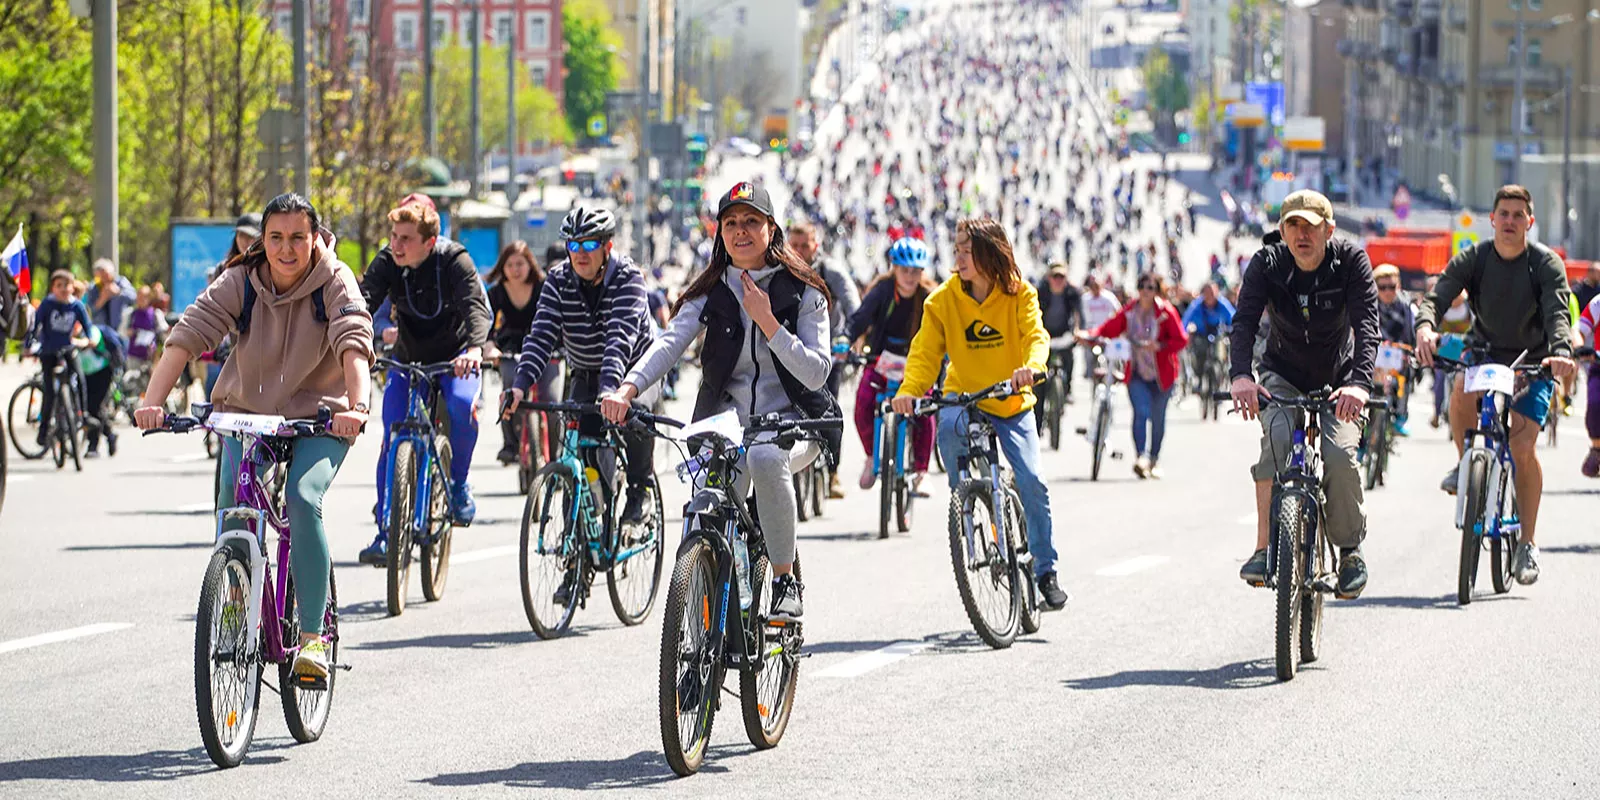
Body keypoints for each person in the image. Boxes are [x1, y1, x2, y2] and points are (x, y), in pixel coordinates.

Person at [132, 193, 374, 681]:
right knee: (232, 498)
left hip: (322, 417)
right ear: (262, 241)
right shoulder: (240, 280)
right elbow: (187, 335)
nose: (287, 249)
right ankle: (237, 600)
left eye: (298, 238)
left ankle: (311, 640)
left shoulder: (334, 279)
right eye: (276, 238)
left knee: (304, 499)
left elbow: (354, 342)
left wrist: (357, 406)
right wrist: (152, 401)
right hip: (250, 413)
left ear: (315, 238)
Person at [600, 182, 835, 621]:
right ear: (719, 233)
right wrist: (627, 389)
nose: (740, 231)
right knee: (705, 496)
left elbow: (817, 372)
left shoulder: (804, 290)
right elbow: (668, 344)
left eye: (751, 221)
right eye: (731, 223)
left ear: (771, 228)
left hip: (795, 425)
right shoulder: (711, 288)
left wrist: (768, 322)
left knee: (765, 458)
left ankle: (784, 580)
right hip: (727, 425)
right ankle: (703, 619)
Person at [890, 217, 1068, 611]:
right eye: (956, 250)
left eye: (967, 251)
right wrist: (908, 392)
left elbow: (1036, 336)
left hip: (1010, 398)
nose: (959, 258)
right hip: (964, 395)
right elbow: (924, 355)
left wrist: (1032, 367)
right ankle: (966, 499)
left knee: (1033, 480)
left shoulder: (1020, 293)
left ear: (991, 252)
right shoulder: (942, 300)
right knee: (948, 425)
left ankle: (1044, 569)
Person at [1416, 185, 1577, 586]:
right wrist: (1424, 327)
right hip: (1485, 353)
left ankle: (1527, 544)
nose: (1509, 221)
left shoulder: (1545, 264)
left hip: (1534, 361)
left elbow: (1558, 312)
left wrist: (1559, 351)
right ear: (1492, 219)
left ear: (1530, 221)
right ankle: (1465, 459)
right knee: (1459, 387)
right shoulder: (1475, 258)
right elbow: (1438, 297)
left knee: (1522, 448)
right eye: (1503, 214)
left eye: (1517, 215)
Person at [1229, 190, 1379, 599]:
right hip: (1282, 374)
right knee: (1275, 443)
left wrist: (1360, 384)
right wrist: (1240, 376)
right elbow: (1243, 322)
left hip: (1340, 380)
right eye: (1293, 225)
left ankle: (1349, 552)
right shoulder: (1267, 263)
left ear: (1329, 230)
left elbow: (1367, 326)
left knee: (1339, 456)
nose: (1302, 234)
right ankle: (1263, 549)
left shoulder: (1351, 262)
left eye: (1310, 226)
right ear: (1282, 231)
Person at [503, 205, 658, 528]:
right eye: (574, 245)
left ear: (607, 247)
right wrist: (519, 385)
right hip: (586, 370)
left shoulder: (628, 277)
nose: (580, 253)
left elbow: (620, 337)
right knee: (581, 448)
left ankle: (639, 489)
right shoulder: (558, 280)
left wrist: (610, 392)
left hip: (633, 372)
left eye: (589, 245)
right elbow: (541, 334)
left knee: (638, 419)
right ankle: (580, 560)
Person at [357, 197, 492, 565]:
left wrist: (475, 350)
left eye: (405, 239)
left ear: (429, 242)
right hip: (408, 357)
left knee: (463, 407)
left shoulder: (454, 260)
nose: (396, 245)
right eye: (394, 236)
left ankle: (459, 485)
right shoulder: (388, 261)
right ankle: (386, 532)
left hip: (456, 357)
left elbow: (476, 307)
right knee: (392, 434)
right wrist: (350, 340)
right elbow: (363, 301)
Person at [845, 236, 937, 493]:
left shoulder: (930, 296)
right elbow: (859, 319)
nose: (909, 276)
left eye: (915, 271)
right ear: (894, 268)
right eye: (904, 270)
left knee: (924, 410)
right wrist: (844, 339)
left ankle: (921, 471)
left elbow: (943, 330)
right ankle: (871, 456)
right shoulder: (882, 291)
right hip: (880, 361)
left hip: (916, 365)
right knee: (863, 403)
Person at [1085, 272, 1188, 478]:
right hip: (1138, 373)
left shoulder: (1165, 312)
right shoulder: (1130, 310)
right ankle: (1141, 456)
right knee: (1140, 412)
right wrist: (1090, 335)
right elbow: (1111, 327)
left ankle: (1154, 459)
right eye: (1142, 287)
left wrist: (1160, 346)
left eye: (1151, 287)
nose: (1146, 292)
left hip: (1162, 376)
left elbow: (1181, 340)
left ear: (1156, 290)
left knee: (1158, 419)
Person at [790, 220, 860, 499]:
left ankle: (833, 473)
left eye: (804, 246)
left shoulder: (830, 271)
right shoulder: (783, 269)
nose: (798, 251)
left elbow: (854, 304)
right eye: (793, 245)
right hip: (793, 350)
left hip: (830, 349)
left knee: (829, 407)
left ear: (815, 246)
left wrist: (847, 336)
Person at [485, 241, 556, 464]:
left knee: (552, 401)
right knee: (509, 388)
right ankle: (510, 444)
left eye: (520, 264)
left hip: (548, 348)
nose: (515, 270)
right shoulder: (496, 293)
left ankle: (555, 458)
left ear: (530, 264)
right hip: (510, 349)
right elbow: (485, 324)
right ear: (502, 267)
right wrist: (490, 347)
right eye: (510, 265)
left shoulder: (544, 286)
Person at [28, 270, 95, 447]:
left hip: (68, 348)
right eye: (59, 286)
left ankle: (83, 414)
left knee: (80, 380)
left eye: (67, 285)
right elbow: (35, 326)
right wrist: (30, 345)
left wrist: (90, 339)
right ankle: (43, 432)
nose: (64, 289)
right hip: (49, 351)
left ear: (73, 287)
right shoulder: (47, 304)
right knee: (49, 392)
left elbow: (88, 326)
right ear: (53, 288)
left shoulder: (76, 306)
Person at [1372, 264, 1416, 435]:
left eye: (1391, 287)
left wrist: (1411, 351)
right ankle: (1361, 442)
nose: (1388, 292)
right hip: (1374, 354)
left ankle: (1400, 416)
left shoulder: (1406, 306)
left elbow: (1411, 332)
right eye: (1382, 287)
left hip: (1398, 354)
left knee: (1407, 374)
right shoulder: (1369, 304)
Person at [1035, 263, 1082, 405]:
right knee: (1040, 371)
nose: (1058, 280)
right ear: (1049, 278)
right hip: (1044, 334)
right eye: (1055, 276)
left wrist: (1077, 331)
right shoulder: (1040, 292)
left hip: (1064, 334)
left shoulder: (1072, 293)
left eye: (1061, 277)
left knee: (1069, 359)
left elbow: (1078, 314)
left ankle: (1067, 390)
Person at [78, 322, 127, 457]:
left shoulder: (92, 330)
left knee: (94, 407)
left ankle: (93, 445)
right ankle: (110, 435)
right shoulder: (68, 332)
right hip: (85, 373)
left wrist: (77, 342)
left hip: (102, 371)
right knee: (90, 408)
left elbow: (92, 342)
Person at [84, 259, 136, 330]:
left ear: (112, 273)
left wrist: (118, 292)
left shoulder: (121, 282)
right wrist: (102, 299)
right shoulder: (93, 287)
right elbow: (89, 311)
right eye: (100, 277)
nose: (103, 279)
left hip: (121, 328)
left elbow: (133, 297)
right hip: (101, 328)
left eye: (105, 275)